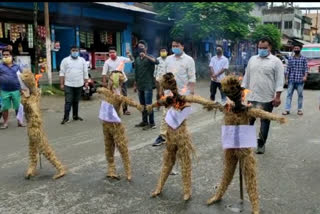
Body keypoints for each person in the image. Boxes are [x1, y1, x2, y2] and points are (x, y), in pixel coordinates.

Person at [241, 37, 284, 154]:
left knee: (264, 122)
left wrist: (278, 96)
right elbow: (246, 77)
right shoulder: (252, 59)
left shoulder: (276, 61)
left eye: (264, 48)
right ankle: (247, 145)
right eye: (259, 48)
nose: (261, 50)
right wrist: (243, 94)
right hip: (251, 97)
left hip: (267, 98)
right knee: (248, 121)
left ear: (270, 47)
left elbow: (280, 80)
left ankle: (261, 144)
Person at [153, 38, 196, 147]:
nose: (174, 48)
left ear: (182, 46)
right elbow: (163, 76)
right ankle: (163, 136)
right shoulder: (168, 59)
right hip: (168, 93)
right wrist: (161, 91)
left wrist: (191, 94)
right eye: (173, 46)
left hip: (183, 93)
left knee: (180, 115)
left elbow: (192, 78)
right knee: (165, 114)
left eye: (177, 45)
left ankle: (180, 136)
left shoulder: (189, 60)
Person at [59, 46, 89, 125]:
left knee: (76, 101)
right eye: (73, 50)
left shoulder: (82, 60)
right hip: (68, 84)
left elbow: (85, 72)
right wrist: (61, 84)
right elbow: (62, 73)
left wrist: (86, 82)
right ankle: (66, 118)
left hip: (79, 84)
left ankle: (75, 116)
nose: (75, 52)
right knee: (68, 101)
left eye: (76, 50)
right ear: (70, 51)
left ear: (78, 51)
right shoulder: (65, 60)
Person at [133, 40, 159, 130]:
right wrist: (135, 84)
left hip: (148, 85)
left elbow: (156, 62)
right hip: (140, 85)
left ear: (146, 48)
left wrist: (146, 56)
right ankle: (144, 121)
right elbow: (136, 72)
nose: (140, 48)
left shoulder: (150, 57)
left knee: (148, 105)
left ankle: (152, 123)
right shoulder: (137, 59)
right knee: (142, 105)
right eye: (139, 47)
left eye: (142, 47)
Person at [102, 46, 133, 115]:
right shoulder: (107, 62)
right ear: (108, 54)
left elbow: (131, 60)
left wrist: (129, 54)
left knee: (124, 95)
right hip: (112, 82)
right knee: (113, 96)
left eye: (113, 52)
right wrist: (104, 83)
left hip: (122, 80)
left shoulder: (121, 59)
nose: (112, 54)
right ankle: (114, 110)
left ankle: (125, 110)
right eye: (110, 52)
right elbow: (104, 73)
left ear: (116, 52)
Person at [0, 49, 25, 129]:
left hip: (16, 90)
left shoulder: (17, 66)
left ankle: (20, 122)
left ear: (11, 56)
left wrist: (22, 89)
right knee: (5, 108)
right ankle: (5, 123)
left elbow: (22, 78)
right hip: (4, 90)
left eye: (7, 54)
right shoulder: (0, 66)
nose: (5, 56)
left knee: (18, 107)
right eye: (4, 55)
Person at [282, 43, 308, 116]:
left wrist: (305, 76)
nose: (296, 49)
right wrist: (286, 79)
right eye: (295, 48)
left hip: (300, 80)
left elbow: (306, 69)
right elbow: (288, 69)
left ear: (300, 49)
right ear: (293, 49)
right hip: (291, 80)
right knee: (289, 95)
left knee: (300, 95)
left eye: (298, 48)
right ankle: (287, 110)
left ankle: (299, 110)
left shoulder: (304, 58)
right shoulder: (290, 58)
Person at [154, 47, 168, 111]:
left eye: (164, 51)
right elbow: (155, 70)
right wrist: (155, 79)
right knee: (158, 93)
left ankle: (166, 105)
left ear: (166, 52)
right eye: (161, 51)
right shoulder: (157, 59)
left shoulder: (169, 59)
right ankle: (158, 106)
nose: (163, 52)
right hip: (158, 79)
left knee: (166, 93)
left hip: (167, 80)